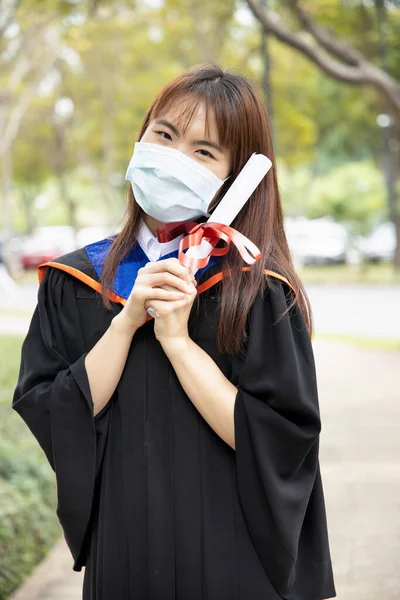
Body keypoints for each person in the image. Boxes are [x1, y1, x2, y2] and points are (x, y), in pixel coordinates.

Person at [12, 63, 336, 600]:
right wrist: (127, 322)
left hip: (233, 555)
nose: (175, 158)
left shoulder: (258, 290)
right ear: (141, 139)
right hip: (125, 553)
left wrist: (178, 342)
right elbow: (50, 407)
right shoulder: (74, 280)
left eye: (204, 151)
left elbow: (283, 439)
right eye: (164, 135)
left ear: (233, 178)